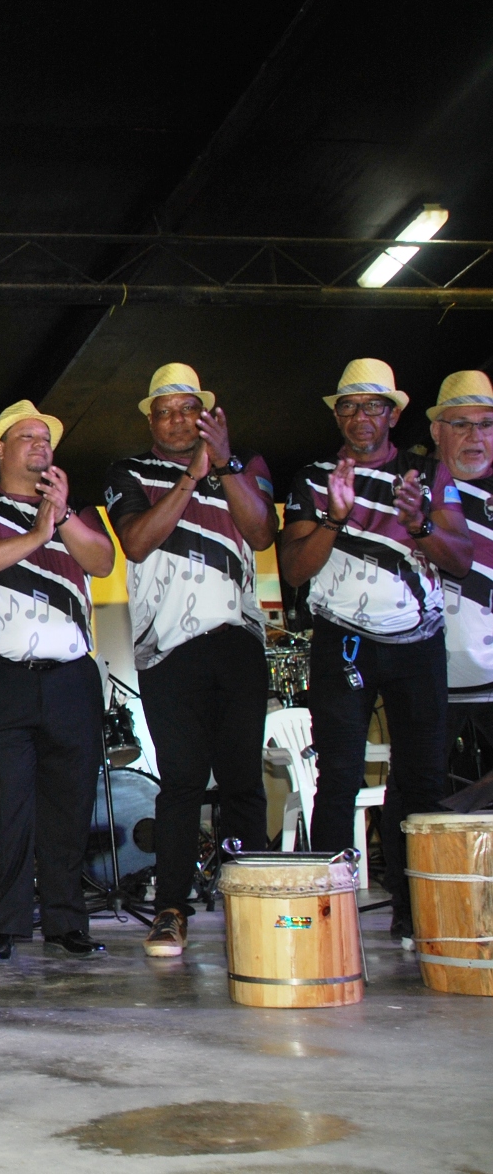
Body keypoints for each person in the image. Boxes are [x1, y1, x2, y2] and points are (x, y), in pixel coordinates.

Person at [278, 359, 470, 944]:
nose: (361, 417)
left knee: (425, 780)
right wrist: (334, 518)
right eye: (349, 407)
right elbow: (292, 569)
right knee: (336, 777)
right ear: (338, 415)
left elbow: (460, 558)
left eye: (372, 406)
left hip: (418, 644)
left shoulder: (429, 474)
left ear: (394, 413)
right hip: (344, 641)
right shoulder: (313, 477)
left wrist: (418, 527)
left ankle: (419, 913)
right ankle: (328, 922)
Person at [103, 364, 277, 958]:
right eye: (165, 411)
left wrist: (223, 467)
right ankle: (171, 909)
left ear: (206, 412)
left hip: (238, 643)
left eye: (187, 408)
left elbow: (261, 534)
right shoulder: (128, 471)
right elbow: (134, 542)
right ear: (150, 420)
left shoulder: (246, 463)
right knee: (179, 781)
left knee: (243, 784)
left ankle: (248, 905)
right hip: (168, 649)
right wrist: (188, 480)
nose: (177, 419)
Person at [0, 401, 115, 963]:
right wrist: (36, 534)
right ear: (0, 449)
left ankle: (68, 922)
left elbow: (104, 562)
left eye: (46, 438)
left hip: (70, 678)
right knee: (3, 807)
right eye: (27, 437)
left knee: (69, 806)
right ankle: (4, 925)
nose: (41, 445)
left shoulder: (74, 510)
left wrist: (61, 519)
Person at [431, 370, 493, 803]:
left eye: (486, 424)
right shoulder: (409, 488)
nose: (475, 435)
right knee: (424, 798)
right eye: (461, 424)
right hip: (431, 682)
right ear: (437, 431)